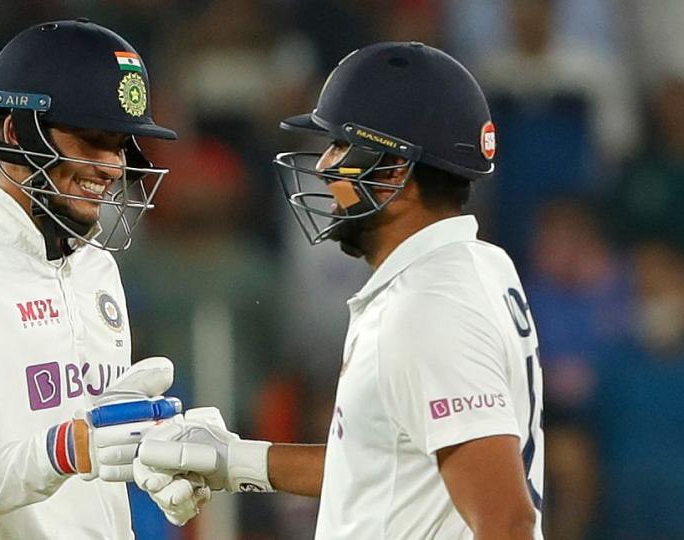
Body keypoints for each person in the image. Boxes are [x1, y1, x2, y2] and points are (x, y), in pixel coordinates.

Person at [134, 42, 546, 539]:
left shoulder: (431, 305)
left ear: (395, 169)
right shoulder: (471, 265)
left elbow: (507, 522)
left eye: (341, 147)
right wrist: (233, 459)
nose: (325, 168)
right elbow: (383, 465)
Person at [0, 19, 185, 539]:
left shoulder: (99, 268)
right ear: (12, 132)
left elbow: (92, 460)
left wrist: (157, 454)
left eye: (120, 145)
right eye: (92, 140)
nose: (113, 167)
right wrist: (67, 449)